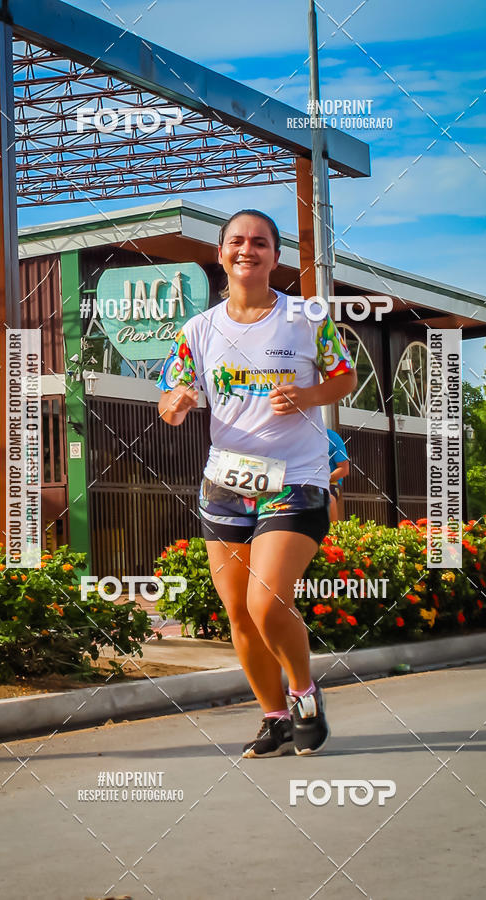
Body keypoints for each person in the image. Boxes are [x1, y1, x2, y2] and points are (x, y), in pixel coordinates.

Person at [157, 209, 357, 758]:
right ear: (221, 253)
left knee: (268, 602)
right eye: (238, 242)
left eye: (261, 242)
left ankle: (303, 694)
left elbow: (345, 376)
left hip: (297, 476)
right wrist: (174, 405)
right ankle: (274, 718)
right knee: (240, 614)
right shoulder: (199, 329)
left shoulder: (306, 315)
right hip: (225, 481)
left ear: (275, 255)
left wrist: (309, 396)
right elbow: (171, 394)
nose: (249, 250)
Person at [326, 428, 350, 522]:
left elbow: (344, 469)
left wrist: (322, 479)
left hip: (330, 482)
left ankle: (333, 534)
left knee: (328, 499)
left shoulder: (332, 437)